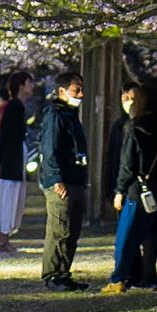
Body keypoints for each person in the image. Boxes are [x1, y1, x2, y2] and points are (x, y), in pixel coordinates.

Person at [103, 82, 157, 294]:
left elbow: (128, 163)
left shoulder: (134, 127)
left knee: (125, 237)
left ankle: (118, 279)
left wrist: (119, 190)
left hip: (138, 191)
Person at [36, 71, 90, 291]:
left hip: (75, 178)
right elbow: (50, 149)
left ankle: (64, 272)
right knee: (60, 229)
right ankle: (53, 274)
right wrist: (56, 179)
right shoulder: (55, 115)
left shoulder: (70, 115)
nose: (80, 94)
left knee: (72, 229)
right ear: (61, 91)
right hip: (62, 181)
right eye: (76, 89)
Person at [0, 71, 35, 255]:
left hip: (13, 155)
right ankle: (2, 239)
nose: (32, 85)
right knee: (9, 195)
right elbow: (6, 134)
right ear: (21, 85)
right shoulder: (15, 107)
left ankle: (4, 238)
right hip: (12, 156)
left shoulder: (16, 106)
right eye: (29, 82)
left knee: (11, 194)